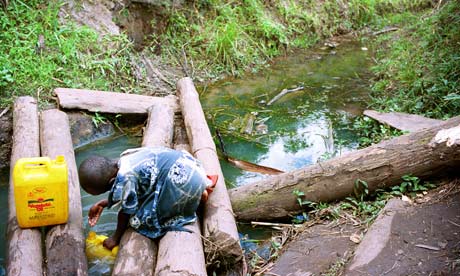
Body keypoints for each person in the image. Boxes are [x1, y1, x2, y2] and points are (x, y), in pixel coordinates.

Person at [78, 147, 217, 250]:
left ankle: (195, 197)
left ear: (111, 182)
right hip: (190, 168)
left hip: (183, 182)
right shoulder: (125, 159)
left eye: (105, 191)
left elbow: (125, 212)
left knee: (140, 220)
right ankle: (198, 190)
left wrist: (115, 238)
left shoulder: (126, 177)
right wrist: (103, 203)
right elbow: (130, 191)